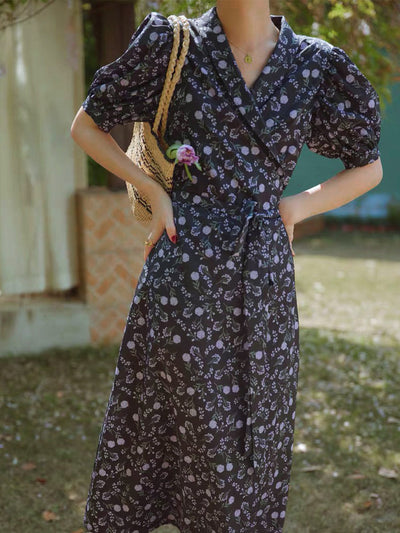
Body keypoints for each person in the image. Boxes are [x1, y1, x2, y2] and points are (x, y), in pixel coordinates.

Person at [70, 0, 383, 531]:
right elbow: (86, 125)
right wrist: (152, 190)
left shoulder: (315, 64)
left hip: (263, 276)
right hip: (184, 272)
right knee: (186, 428)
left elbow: (368, 166)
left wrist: (293, 208)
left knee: (253, 436)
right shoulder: (172, 46)